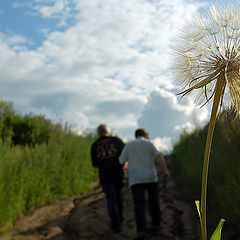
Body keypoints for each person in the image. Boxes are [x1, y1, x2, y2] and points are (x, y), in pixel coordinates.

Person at [119, 128, 171, 240]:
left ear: (135, 135)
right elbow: (159, 157)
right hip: (150, 178)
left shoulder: (129, 145)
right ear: (145, 135)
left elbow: (121, 161)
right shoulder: (149, 143)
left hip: (135, 180)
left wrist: (126, 167)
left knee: (139, 205)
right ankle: (156, 224)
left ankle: (141, 230)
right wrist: (165, 170)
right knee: (154, 202)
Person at [91, 124, 125, 233]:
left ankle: (115, 225)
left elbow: (95, 163)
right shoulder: (116, 140)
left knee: (111, 199)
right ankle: (120, 219)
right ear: (108, 131)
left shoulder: (94, 145)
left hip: (105, 175)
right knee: (118, 196)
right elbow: (125, 154)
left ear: (98, 132)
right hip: (118, 174)